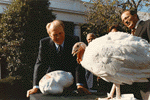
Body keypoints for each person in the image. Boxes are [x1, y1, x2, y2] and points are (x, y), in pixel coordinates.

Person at [27, 20, 90, 97]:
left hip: (73, 84)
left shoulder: (74, 40)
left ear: (64, 30)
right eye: (55, 35)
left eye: (61, 33)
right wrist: (35, 87)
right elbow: (40, 64)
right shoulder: (44, 43)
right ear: (50, 35)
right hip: (52, 83)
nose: (59, 37)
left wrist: (79, 84)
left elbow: (78, 63)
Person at [121, 9, 150, 100]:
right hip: (137, 78)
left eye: (127, 17)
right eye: (123, 20)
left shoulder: (147, 24)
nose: (125, 21)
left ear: (135, 16)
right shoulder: (130, 35)